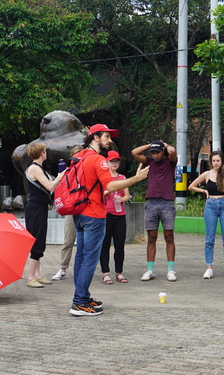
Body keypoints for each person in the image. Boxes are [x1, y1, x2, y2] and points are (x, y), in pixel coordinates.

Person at [70, 124, 148, 316]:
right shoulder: (98, 160)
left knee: (81, 256)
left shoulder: (78, 157)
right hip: (94, 214)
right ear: (95, 138)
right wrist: (135, 179)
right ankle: (79, 302)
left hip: (78, 212)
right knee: (89, 258)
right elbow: (111, 185)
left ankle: (83, 296)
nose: (109, 140)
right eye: (106, 136)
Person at [131, 140, 178, 282]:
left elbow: (173, 152)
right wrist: (151, 144)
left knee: (169, 236)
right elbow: (134, 152)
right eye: (153, 152)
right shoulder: (149, 162)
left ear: (163, 151)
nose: (155, 155)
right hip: (151, 202)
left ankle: (171, 270)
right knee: (151, 237)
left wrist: (163, 144)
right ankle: (150, 269)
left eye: (157, 152)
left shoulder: (170, 162)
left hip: (167, 203)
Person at [188, 151, 224, 280]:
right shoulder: (207, 174)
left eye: (218, 161)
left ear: (222, 162)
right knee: (209, 239)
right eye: (213, 161)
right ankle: (209, 268)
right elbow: (191, 186)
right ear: (211, 162)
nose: (215, 163)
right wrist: (203, 190)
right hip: (211, 205)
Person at [23, 141, 65, 288]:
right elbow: (49, 186)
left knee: (40, 240)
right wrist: (61, 176)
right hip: (35, 208)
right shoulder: (35, 168)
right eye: (45, 151)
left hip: (39, 207)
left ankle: (37, 275)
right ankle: (30, 277)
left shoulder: (39, 168)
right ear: (41, 153)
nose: (46, 153)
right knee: (36, 241)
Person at [52, 146, 84, 281]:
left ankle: (84, 269)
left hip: (85, 207)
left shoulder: (87, 169)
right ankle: (63, 267)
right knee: (68, 239)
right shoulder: (67, 171)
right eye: (75, 156)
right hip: (71, 207)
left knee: (85, 242)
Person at [100, 150, 131, 284]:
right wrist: (106, 193)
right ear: (106, 162)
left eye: (116, 161)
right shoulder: (103, 177)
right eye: (112, 161)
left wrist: (122, 199)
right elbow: (97, 196)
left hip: (120, 215)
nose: (114, 163)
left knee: (119, 245)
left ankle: (119, 272)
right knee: (105, 244)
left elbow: (127, 195)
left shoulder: (122, 178)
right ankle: (105, 272)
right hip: (106, 214)